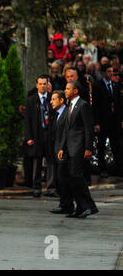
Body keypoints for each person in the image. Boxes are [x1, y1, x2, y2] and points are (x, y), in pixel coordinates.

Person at [58, 81, 98, 218]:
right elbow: (67, 130)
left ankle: (89, 206)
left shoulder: (83, 105)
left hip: (79, 147)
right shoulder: (69, 105)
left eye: (68, 88)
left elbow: (88, 128)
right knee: (71, 178)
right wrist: (62, 148)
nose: (65, 90)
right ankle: (80, 207)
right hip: (69, 148)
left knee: (77, 176)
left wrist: (88, 148)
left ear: (75, 91)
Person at [92, 64, 123, 178]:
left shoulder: (115, 85)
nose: (111, 74)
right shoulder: (97, 85)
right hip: (103, 120)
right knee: (101, 145)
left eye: (112, 71)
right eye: (108, 71)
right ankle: (102, 168)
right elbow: (95, 105)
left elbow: (119, 104)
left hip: (114, 121)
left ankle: (118, 167)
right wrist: (96, 122)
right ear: (104, 73)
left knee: (116, 144)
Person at [49, 91, 74, 214]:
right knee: (60, 179)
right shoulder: (57, 114)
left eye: (54, 99)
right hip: (56, 151)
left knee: (64, 179)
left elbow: (66, 134)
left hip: (63, 152)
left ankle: (66, 204)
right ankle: (65, 204)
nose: (51, 102)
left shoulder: (66, 114)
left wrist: (63, 149)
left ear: (61, 100)